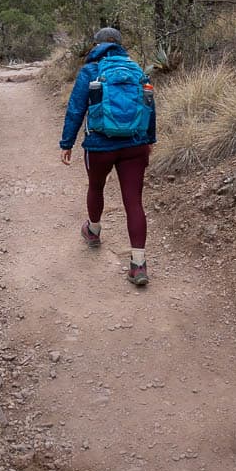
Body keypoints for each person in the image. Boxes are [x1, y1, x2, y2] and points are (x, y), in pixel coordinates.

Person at [59, 27, 156, 286]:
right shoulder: (137, 70)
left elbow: (76, 109)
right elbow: (149, 105)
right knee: (134, 202)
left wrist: (67, 143)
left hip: (100, 145)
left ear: (96, 45)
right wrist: (149, 140)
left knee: (96, 187)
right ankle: (138, 264)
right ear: (120, 45)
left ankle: (93, 230)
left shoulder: (91, 71)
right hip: (135, 144)